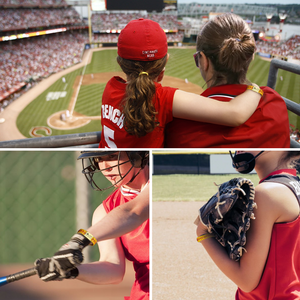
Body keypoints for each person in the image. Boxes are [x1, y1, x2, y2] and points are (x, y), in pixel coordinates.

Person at [99, 18, 263, 148]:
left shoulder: (110, 88)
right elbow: (235, 114)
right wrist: (256, 89)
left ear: (120, 63)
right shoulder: (164, 98)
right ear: (165, 62)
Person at [35, 151, 150, 300]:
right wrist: (71, 270)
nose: (105, 167)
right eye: (99, 159)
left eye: (112, 157)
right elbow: (113, 268)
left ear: (138, 156)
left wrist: (78, 241)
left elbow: (134, 212)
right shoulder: (105, 211)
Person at [165, 13, 290, 148]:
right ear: (250, 57)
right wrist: (254, 88)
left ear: (204, 61)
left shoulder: (178, 124)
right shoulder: (275, 102)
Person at [196, 151, 300, 298]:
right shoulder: (294, 185)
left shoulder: (266, 193)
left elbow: (246, 280)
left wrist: (202, 233)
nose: (238, 149)